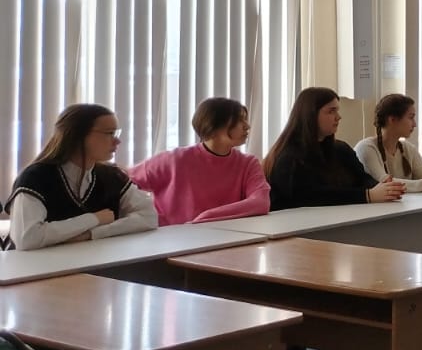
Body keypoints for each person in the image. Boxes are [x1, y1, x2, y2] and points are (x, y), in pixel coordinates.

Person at [3, 103, 158, 250]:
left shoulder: (112, 176)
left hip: (88, 262)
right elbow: (27, 238)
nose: (117, 141)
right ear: (78, 136)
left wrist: (93, 234)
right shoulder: (35, 177)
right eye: (109, 133)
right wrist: (95, 218)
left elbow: (149, 217)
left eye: (116, 133)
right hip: (30, 267)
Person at [125, 97, 271, 225]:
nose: (247, 126)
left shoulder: (248, 163)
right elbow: (124, 182)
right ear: (214, 125)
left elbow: (261, 202)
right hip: (172, 239)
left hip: (227, 238)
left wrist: (205, 217)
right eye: (239, 120)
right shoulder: (174, 160)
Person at [263, 87, 404, 210]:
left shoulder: (341, 149)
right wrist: (367, 195)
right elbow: (311, 196)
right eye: (331, 111)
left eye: (337, 111)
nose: (338, 117)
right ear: (311, 115)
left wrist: (384, 188)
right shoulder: (288, 158)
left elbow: (363, 178)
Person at [354, 94, 422, 194]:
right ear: (392, 120)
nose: (415, 124)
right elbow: (386, 183)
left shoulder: (408, 148)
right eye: (411, 117)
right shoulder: (366, 148)